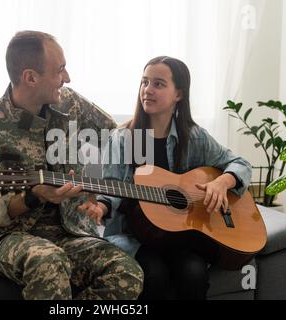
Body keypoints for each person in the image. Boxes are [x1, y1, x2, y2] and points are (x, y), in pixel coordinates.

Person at [0, 30, 143, 300]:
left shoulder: (72, 105)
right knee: (49, 261)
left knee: (126, 272)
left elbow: (117, 139)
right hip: (5, 237)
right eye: (60, 70)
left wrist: (94, 189)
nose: (67, 78)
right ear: (30, 77)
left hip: (70, 233)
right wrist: (31, 197)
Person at [80, 56, 252, 300]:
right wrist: (101, 205)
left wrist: (222, 182)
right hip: (132, 235)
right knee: (154, 274)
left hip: (180, 237)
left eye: (158, 84)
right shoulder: (123, 138)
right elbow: (110, 188)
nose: (147, 90)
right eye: (144, 82)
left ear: (178, 94)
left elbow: (240, 164)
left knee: (194, 272)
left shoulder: (194, 137)